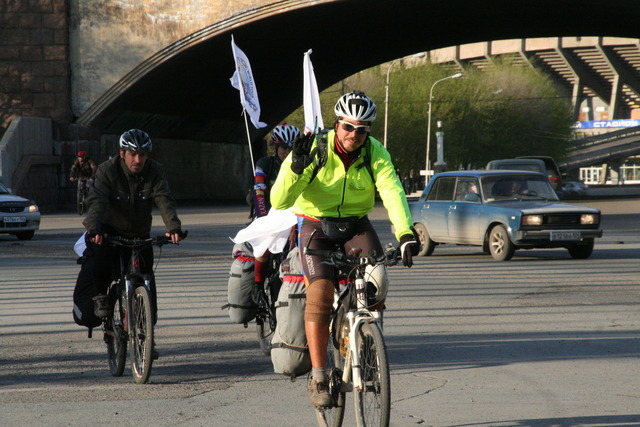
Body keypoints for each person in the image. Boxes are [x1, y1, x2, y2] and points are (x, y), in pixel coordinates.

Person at [270, 91, 419, 408]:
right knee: (321, 292)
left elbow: (392, 190)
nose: (354, 134)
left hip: (355, 224)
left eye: (362, 129)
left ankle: (363, 340)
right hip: (315, 225)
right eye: (348, 127)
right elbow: (279, 201)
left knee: (377, 280)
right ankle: (320, 375)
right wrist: (295, 168)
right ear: (336, 125)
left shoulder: (374, 152)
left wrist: (405, 232)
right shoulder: (316, 148)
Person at [72, 129, 185, 353]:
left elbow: (164, 199)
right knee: (100, 257)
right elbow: (97, 201)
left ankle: (146, 335)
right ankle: (102, 296)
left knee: (147, 281)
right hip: (109, 230)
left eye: (143, 155)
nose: (138, 160)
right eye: (133, 154)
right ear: (122, 153)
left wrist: (173, 227)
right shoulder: (107, 171)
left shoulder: (155, 171)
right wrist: (94, 228)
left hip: (139, 233)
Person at [251, 123, 299, 289]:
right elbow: (259, 190)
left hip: (295, 215)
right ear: (275, 147)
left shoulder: (301, 165)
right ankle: (258, 285)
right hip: (269, 212)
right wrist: (264, 218)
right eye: (283, 147)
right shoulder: (265, 163)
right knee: (264, 243)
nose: (287, 151)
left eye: (291, 147)